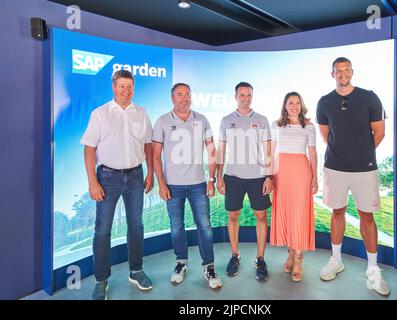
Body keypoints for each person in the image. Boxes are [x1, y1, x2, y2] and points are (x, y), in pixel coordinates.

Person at [316, 57, 390, 296]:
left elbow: (379, 133)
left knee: (366, 217)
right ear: (332, 74)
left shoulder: (369, 97)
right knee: (337, 212)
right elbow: (327, 136)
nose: (343, 73)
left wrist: (361, 154)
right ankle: (336, 260)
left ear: (352, 72)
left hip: (364, 168)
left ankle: (373, 269)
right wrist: (344, 155)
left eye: (346, 69)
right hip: (334, 168)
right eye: (338, 70)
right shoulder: (324, 102)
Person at [81, 69, 154, 300]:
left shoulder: (141, 113)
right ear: (114, 87)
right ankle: (101, 280)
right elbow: (89, 149)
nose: (126, 91)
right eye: (122, 86)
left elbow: (149, 146)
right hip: (108, 178)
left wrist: (150, 172)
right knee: (102, 230)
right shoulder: (100, 114)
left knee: (136, 225)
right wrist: (93, 182)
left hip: (135, 176)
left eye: (130, 86)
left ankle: (136, 270)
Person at [152, 83, 222, 289]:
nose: (184, 98)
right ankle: (181, 263)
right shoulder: (162, 121)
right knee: (176, 227)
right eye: (180, 94)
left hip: (199, 184)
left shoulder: (202, 120)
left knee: (205, 227)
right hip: (173, 186)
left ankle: (209, 267)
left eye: (188, 94)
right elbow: (155, 156)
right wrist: (161, 183)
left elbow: (211, 150)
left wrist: (211, 179)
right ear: (172, 98)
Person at [217, 82, 273, 281]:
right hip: (233, 177)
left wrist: (269, 176)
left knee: (261, 217)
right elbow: (221, 151)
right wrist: (218, 176)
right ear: (235, 96)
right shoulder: (226, 121)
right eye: (242, 95)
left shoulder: (262, 120)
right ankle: (235, 255)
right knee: (233, 217)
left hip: (258, 177)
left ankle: (260, 259)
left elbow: (268, 151)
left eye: (249, 95)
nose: (246, 98)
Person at [270, 92, 317, 282]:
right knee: (287, 213)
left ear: (301, 105)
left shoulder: (309, 126)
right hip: (281, 172)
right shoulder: (276, 125)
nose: (295, 106)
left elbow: (312, 152)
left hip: (301, 172)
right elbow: (270, 151)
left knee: (298, 213)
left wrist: (315, 178)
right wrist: (269, 175)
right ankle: (290, 252)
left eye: (298, 103)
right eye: (291, 103)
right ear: (285, 105)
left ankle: (298, 258)